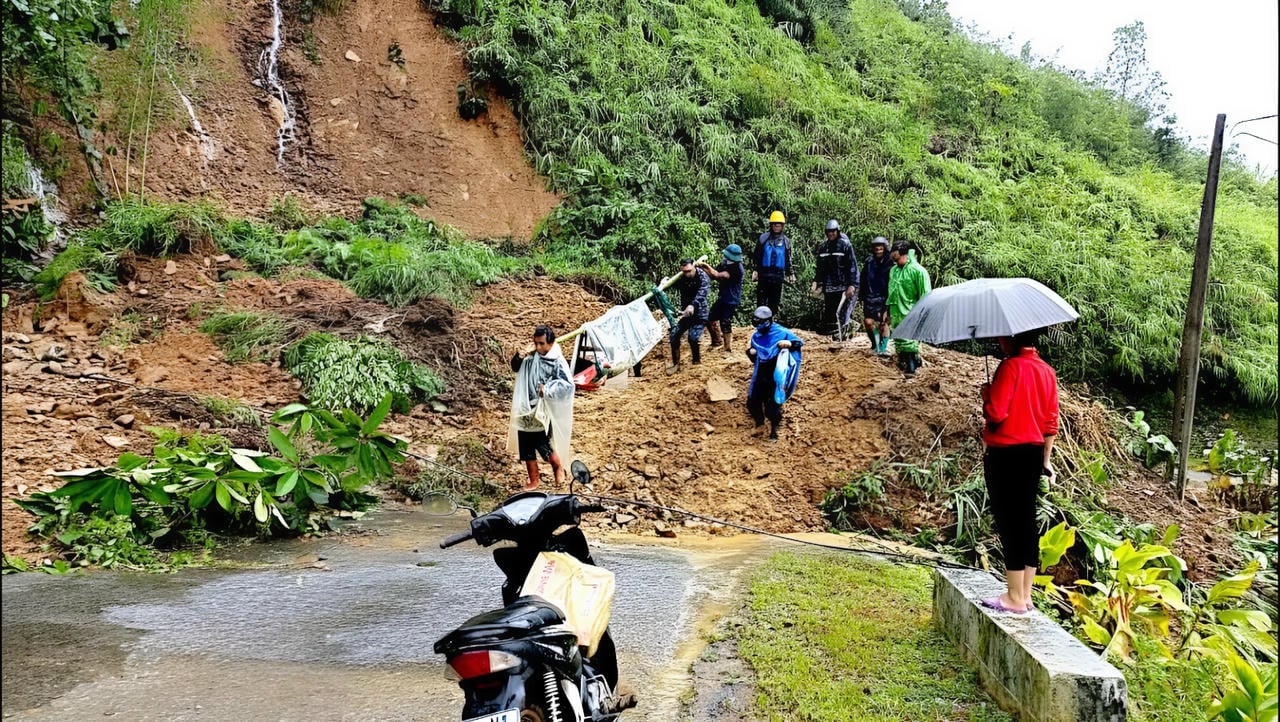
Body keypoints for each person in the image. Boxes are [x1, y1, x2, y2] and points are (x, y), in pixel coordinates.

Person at [980, 330, 1059, 614]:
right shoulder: (1047, 372)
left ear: (1010, 338)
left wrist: (987, 395)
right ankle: (1025, 595)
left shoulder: (1010, 366)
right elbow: (1051, 422)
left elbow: (997, 413)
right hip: (1034, 453)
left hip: (1006, 453)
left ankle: (1013, 596)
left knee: (1009, 521)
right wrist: (1046, 461)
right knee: (1026, 521)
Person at [507, 326, 574, 490]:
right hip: (525, 403)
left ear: (550, 343)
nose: (538, 347)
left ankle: (558, 467)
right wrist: (521, 355)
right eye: (535, 343)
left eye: (541, 343)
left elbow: (568, 385)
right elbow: (516, 367)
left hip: (543, 406)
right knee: (525, 441)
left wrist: (548, 390)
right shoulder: (531, 356)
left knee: (541, 440)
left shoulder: (556, 360)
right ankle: (534, 479)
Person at [745, 306, 803, 442]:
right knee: (753, 401)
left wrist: (789, 343)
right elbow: (755, 356)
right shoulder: (756, 336)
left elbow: (798, 343)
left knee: (773, 405)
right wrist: (751, 352)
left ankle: (774, 431)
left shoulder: (781, 332)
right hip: (761, 372)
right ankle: (759, 423)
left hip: (776, 374)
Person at [887, 241, 931, 375]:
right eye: (893, 260)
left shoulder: (918, 271)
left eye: (897, 259)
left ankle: (912, 365)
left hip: (911, 311)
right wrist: (887, 311)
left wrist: (923, 314)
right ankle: (906, 361)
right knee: (899, 341)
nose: (895, 262)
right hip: (896, 312)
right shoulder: (893, 271)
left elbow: (926, 294)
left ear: (905, 255)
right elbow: (891, 291)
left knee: (910, 341)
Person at [811, 219, 857, 339]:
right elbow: (820, 268)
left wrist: (852, 285)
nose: (831, 234)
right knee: (831, 314)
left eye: (833, 231)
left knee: (843, 312)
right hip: (830, 286)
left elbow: (852, 266)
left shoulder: (845, 245)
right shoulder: (824, 247)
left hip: (844, 285)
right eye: (829, 232)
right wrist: (817, 282)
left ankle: (846, 334)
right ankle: (838, 335)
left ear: (838, 231)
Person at [698, 244, 745, 353]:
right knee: (709, 318)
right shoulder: (725, 263)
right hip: (723, 297)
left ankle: (727, 347)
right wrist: (703, 269)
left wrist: (705, 266)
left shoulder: (737, 269)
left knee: (725, 321)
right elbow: (713, 274)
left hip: (731, 299)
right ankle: (717, 341)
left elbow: (718, 275)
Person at [667, 258, 711, 374]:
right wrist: (664, 283)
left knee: (693, 338)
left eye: (689, 271)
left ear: (694, 266)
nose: (687, 274)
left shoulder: (702, 276)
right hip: (685, 314)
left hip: (700, 313)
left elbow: (703, 293)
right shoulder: (681, 277)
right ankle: (676, 364)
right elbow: (670, 285)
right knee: (674, 335)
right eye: (684, 271)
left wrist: (693, 305)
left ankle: (696, 362)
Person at [751, 211, 794, 318]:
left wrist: (791, 273)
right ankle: (759, 322)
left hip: (778, 276)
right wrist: (755, 271)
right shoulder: (763, 238)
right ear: (771, 225)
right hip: (764, 275)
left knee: (774, 303)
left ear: (782, 226)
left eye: (779, 225)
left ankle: (771, 322)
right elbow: (757, 256)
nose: (776, 227)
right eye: (774, 224)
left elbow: (788, 259)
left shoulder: (786, 241)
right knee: (761, 301)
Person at [858, 236, 893, 355]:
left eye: (880, 249)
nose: (878, 251)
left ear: (885, 249)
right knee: (868, 322)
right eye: (876, 249)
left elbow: (893, 283)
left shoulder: (891, 263)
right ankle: (875, 344)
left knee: (884, 324)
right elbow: (863, 280)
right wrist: (861, 296)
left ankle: (882, 349)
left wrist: (890, 302)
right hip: (870, 297)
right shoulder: (869, 262)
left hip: (885, 298)